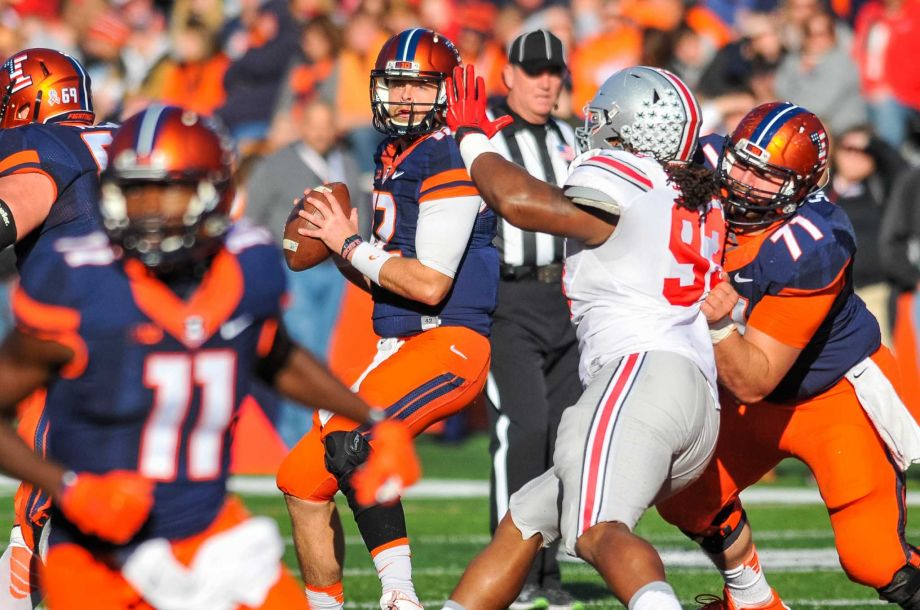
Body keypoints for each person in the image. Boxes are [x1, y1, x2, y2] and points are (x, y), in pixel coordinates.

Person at [0, 103, 419, 610]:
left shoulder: (247, 264)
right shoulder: (81, 282)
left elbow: (275, 354)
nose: (147, 210)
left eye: (167, 191)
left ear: (211, 193)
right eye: (133, 191)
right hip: (100, 553)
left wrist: (374, 420)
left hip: (209, 534)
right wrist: (66, 486)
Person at [439, 64, 724, 610]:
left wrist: (471, 137)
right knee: (525, 519)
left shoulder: (622, 173)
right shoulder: (690, 192)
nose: (593, 129)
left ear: (632, 129)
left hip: (641, 375)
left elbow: (519, 204)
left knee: (596, 530)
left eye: (605, 121)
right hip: (693, 397)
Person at [656, 102, 917, 610]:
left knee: (875, 561)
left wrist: (718, 323)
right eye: (742, 165)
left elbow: (756, 377)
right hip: (749, 398)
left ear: (800, 186)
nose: (745, 182)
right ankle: (754, 602)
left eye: (766, 176)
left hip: (832, 396)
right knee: (684, 494)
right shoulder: (701, 161)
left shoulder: (814, 242)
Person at [274, 28, 498, 610]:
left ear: (445, 93)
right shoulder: (393, 156)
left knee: (355, 443)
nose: (403, 99)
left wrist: (347, 242)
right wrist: (335, 243)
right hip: (398, 346)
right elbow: (382, 272)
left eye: (419, 87)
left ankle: (400, 597)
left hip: (449, 344)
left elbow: (429, 283)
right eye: (395, 85)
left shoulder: (449, 154)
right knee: (300, 482)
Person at [0, 47, 115, 610]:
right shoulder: (123, 134)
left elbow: (13, 210)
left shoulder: (36, 143)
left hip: (77, 330)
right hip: (165, 329)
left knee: (44, 483)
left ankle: (21, 572)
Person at [481, 29, 581, 610]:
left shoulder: (576, 138)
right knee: (524, 429)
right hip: (510, 300)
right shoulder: (487, 141)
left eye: (555, 71)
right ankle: (511, 567)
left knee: (565, 436)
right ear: (509, 76)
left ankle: (548, 571)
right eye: (534, 70)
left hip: (567, 300)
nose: (546, 81)